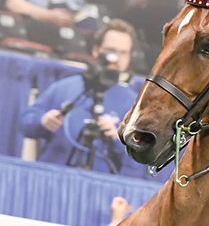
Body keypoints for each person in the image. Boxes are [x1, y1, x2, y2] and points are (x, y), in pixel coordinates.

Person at [18, 21, 139, 174]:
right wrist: (42, 121)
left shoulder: (135, 105)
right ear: (96, 50)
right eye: (110, 50)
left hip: (99, 182)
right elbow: (25, 122)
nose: (115, 58)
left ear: (130, 57)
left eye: (123, 53)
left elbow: (141, 160)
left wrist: (119, 139)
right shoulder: (65, 87)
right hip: (52, 176)